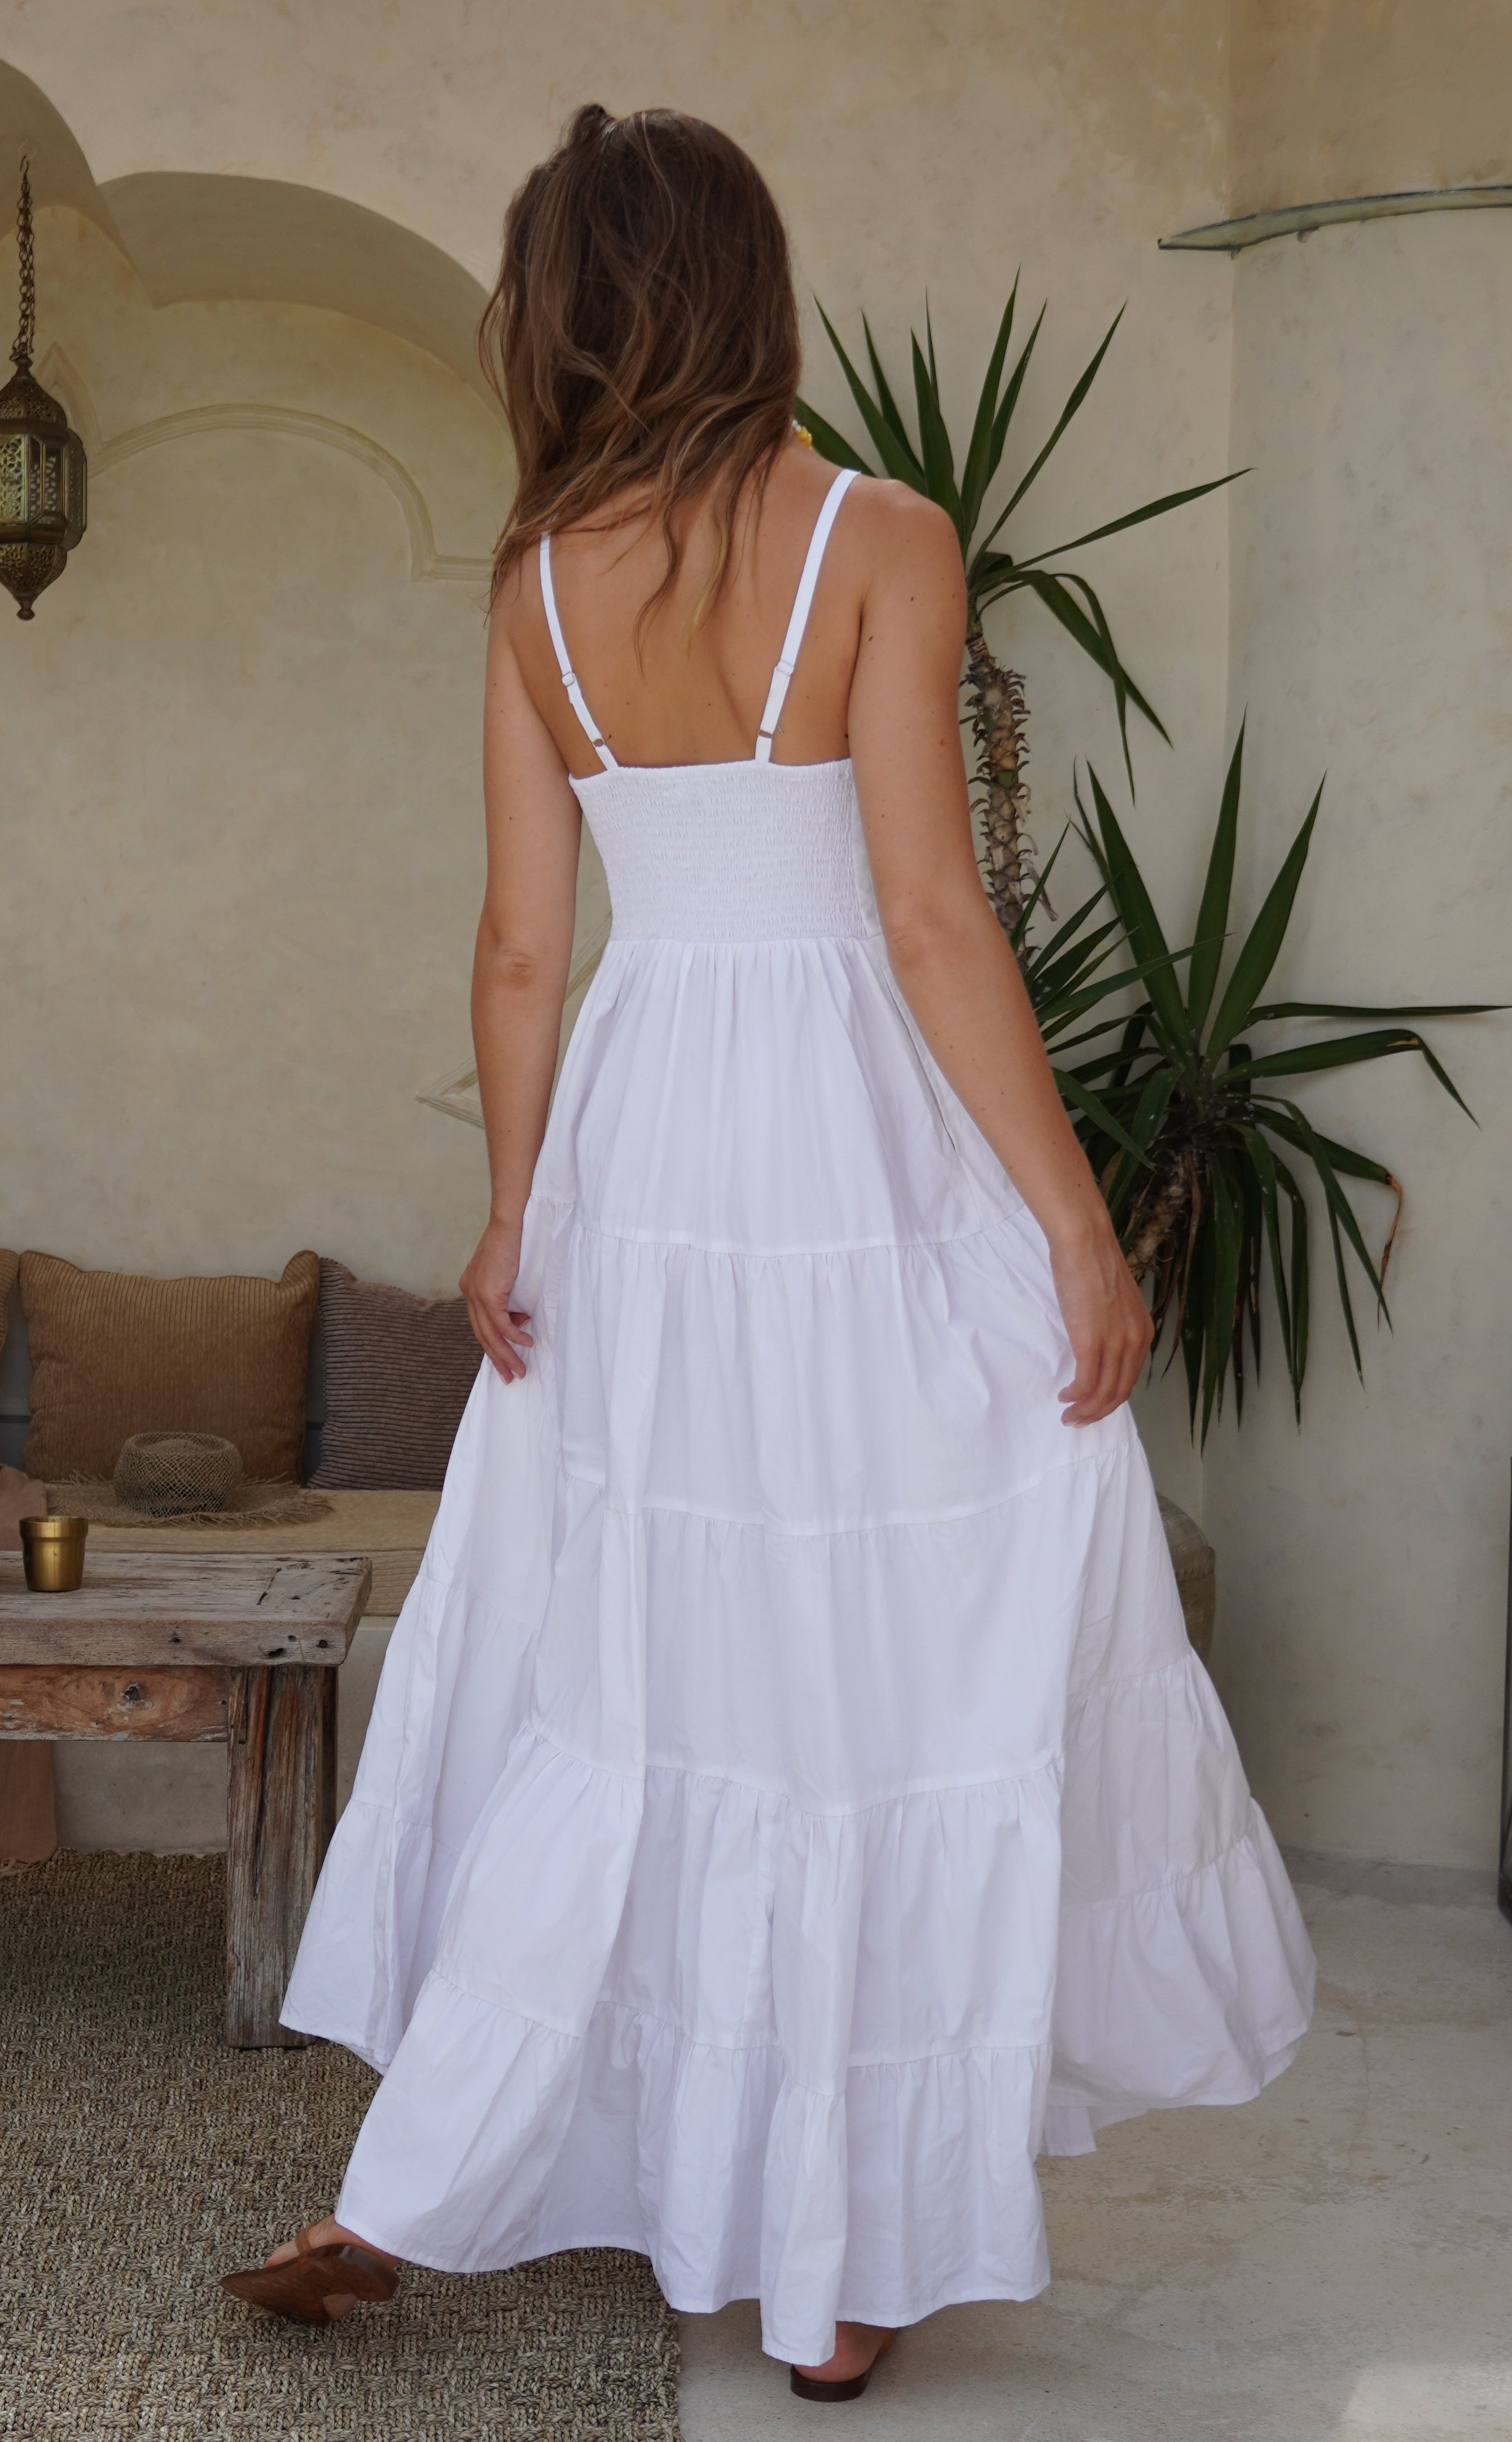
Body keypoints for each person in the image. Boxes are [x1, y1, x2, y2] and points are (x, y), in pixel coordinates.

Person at [222, 103, 1315, 2404]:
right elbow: (925, 917)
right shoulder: (878, 537)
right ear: (745, 285)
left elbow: (522, 948)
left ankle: (420, 2179)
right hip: (849, 1144)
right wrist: (1075, 1228)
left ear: (560, 311)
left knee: (637, 1667)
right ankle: (836, 2270)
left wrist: (511, 1207)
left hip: (642, 1158)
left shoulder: (535, 581)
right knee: (888, 1668)